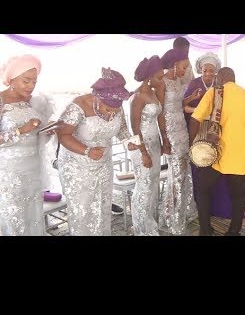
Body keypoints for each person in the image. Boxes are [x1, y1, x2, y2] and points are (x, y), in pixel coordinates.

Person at [189, 67, 245, 236]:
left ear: (219, 78)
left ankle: (205, 229)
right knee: (239, 198)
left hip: (214, 155)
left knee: (203, 191)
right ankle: (233, 231)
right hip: (241, 158)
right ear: (233, 78)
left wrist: (192, 145)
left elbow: (195, 119)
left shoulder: (214, 93)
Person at [56, 67, 132, 236]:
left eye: (115, 111)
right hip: (77, 167)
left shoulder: (117, 105)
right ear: (98, 97)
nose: (111, 114)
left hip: (104, 164)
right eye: (107, 110)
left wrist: (128, 141)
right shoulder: (78, 105)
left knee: (102, 209)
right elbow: (62, 134)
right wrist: (87, 151)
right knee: (83, 212)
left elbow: (122, 129)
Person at [0, 54, 53, 235]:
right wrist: (20, 131)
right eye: (26, 81)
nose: (31, 86)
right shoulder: (1, 101)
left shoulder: (32, 102)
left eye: (34, 81)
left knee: (32, 215)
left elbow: (37, 136)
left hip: (33, 168)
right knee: (14, 216)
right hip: (10, 173)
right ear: (11, 79)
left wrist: (46, 132)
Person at [183, 52, 232, 219]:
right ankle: (200, 205)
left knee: (217, 165)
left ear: (216, 71)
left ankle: (218, 206)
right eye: (205, 71)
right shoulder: (194, 83)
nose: (208, 74)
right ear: (200, 70)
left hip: (215, 130)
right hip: (197, 128)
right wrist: (199, 112)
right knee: (200, 164)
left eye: (211, 71)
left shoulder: (220, 85)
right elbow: (184, 107)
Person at [155, 48, 197, 235]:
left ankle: (181, 212)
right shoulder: (161, 83)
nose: (185, 71)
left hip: (182, 129)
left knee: (183, 173)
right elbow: (160, 111)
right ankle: (171, 218)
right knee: (176, 176)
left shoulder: (178, 80)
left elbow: (178, 103)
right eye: (183, 67)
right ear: (174, 65)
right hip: (171, 131)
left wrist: (192, 98)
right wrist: (164, 138)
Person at [129, 55, 164, 236]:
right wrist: (143, 152)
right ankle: (140, 228)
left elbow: (158, 118)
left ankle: (150, 224)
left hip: (154, 143)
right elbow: (134, 128)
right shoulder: (138, 97)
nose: (161, 80)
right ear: (149, 76)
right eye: (159, 77)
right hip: (142, 146)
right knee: (143, 185)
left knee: (153, 184)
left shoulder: (153, 92)